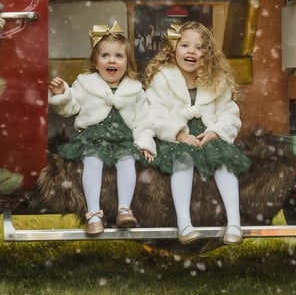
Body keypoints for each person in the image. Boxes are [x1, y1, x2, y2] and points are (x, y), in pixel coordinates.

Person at [144, 21, 250, 245]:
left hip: (208, 136)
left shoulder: (216, 81)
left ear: (208, 53)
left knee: (224, 160)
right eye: (185, 45)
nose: (192, 51)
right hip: (177, 138)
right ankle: (185, 224)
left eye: (200, 47)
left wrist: (215, 132)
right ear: (173, 49)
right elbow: (154, 113)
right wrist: (179, 133)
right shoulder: (163, 79)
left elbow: (229, 114)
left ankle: (234, 223)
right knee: (183, 159)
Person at [48, 23, 156, 236]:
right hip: (93, 138)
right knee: (93, 161)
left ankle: (124, 209)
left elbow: (144, 120)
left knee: (127, 161)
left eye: (118, 56)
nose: (112, 60)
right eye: (105, 55)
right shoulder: (86, 83)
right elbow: (71, 107)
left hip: (123, 139)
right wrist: (63, 94)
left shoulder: (134, 89)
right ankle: (94, 214)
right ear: (96, 62)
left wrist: (144, 143)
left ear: (127, 63)